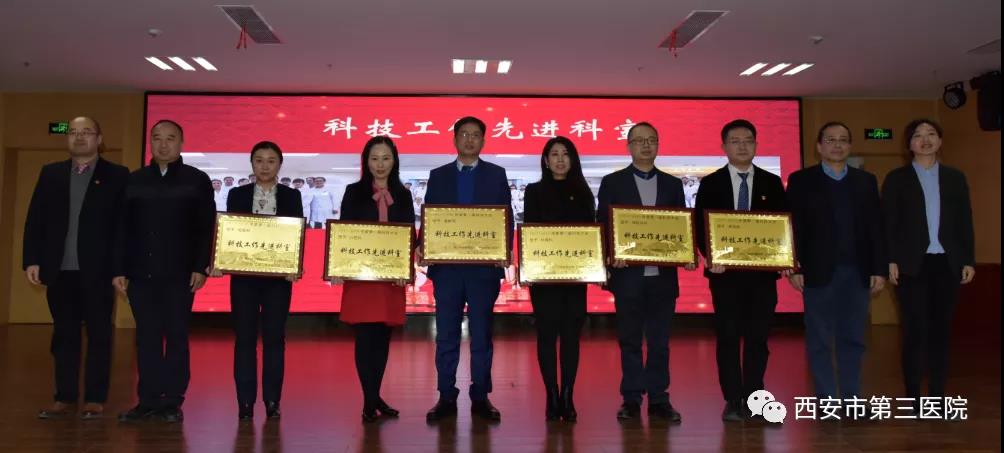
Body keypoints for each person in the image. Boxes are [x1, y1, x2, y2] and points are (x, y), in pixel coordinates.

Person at [23, 116, 129, 420]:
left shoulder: (117, 175)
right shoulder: (51, 173)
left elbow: (122, 226)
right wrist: (32, 259)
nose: (79, 137)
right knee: (64, 337)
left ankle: (95, 399)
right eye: (73, 132)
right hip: (59, 270)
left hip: (99, 271)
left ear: (99, 139)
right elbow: (35, 219)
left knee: (99, 336)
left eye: (86, 132)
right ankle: (64, 397)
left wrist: (119, 268)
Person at [112, 119, 215, 423]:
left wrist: (200, 266)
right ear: (151, 142)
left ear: (181, 143)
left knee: (176, 336)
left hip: (180, 274)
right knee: (147, 337)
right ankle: (147, 400)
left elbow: (205, 227)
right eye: (157, 138)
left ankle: (172, 401)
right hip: (140, 273)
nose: (163, 144)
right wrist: (118, 269)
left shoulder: (196, 179)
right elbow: (121, 228)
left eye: (170, 138)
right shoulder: (134, 180)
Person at [596, 122, 693, 422]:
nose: (646, 145)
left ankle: (659, 399)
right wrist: (611, 257)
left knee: (660, 342)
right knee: (630, 341)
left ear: (658, 144)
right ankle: (631, 399)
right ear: (629, 146)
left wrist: (687, 253)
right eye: (639, 141)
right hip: (628, 277)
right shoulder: (613, 182)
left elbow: (681, 228)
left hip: (663, 279)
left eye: (652, 140)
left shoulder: (672, 185)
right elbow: (603, 226)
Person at [694, 119, 787, 421]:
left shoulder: (772, 183)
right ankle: (733, 398)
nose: (742, 146)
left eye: (748, 140)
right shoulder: (711, 183)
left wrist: (783, 257)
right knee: (729, 337)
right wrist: (711, 256)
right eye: (735, 141)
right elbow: (699, 226)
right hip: (725, 276)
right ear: (724, 147)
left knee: (758, 338)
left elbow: (783, 227)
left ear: (756, 145)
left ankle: (755, 395)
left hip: (762, 276)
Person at [786, 121, 886, 402]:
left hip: (857, 272)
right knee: (819, 339)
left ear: (850, 146)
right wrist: (794, 266)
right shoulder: (801, 180)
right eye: (830, 140)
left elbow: (876, 228)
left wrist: (879, 268)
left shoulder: (865, 181)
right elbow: (792, 227)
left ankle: (852, 397)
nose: (837, 145)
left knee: (853, 338)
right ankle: (826, 398)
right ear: (819, 147)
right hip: (817, 272)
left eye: (843, 139)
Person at [423, 116, 513, 423]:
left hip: (483, 271)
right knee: (446, 335)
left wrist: (503, 250)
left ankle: (481, 396)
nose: (470, 139)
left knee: (482, 335)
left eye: (475, 135)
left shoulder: (497, 174)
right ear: (455, 139)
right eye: (464, 134)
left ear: (483, 141)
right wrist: (424, 246)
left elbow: (505, 216)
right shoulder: (438, 175)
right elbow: (430, 216)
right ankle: (446, 395)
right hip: (447, 270)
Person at [882, 119, 975, 412]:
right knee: (915, 331)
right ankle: (913, 396)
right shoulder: (897, 178)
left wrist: (968, 259)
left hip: (946, 263)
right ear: (909, 144)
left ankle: (937, 395)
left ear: (940, 141)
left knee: (941, 332)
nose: (925, 140)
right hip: (912, 265)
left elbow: (964, 221)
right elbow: (888, 222)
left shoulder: (955, 177)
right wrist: (890, 258)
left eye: (931, 134)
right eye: (918, 135)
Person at [215, 141, 303, 421]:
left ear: (280, 165)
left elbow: (296, 233)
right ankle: (245, 402)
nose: (265, 166)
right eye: (259, 160)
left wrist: (294, 266)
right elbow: (232, 232)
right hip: (244, 280)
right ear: (252, 164)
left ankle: (273, 401)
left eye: (271, 161)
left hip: (278, 280)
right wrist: (221, 260)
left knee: (275, 339)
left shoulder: (291, 195)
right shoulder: (237, 194)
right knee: (244, 340)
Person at [336, 136, 415, 422]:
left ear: (394, 161)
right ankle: (370, 402)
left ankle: (373, 397)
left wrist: (405, 270)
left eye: (386, 158)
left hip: (390, 278)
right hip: (362, 277)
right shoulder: (353, 192)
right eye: (374, 158)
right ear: (366, 162)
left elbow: (410, 234)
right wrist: (339, 267)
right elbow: (344, 233)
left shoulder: (403, 194)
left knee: (382, 339)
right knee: (365, 338)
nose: (380, 164)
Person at [523, 136, 595, 421]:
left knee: (570, 338)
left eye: (566, 154)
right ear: (546, 160)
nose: (560, 159)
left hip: (575, 278)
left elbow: (591, 234)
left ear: (573, 159)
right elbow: (531, 232)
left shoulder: (584, 191)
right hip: (545, 278)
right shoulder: (534, 191)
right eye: (554, 154)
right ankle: (551, 395)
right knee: (546, 336)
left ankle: (568, 394)